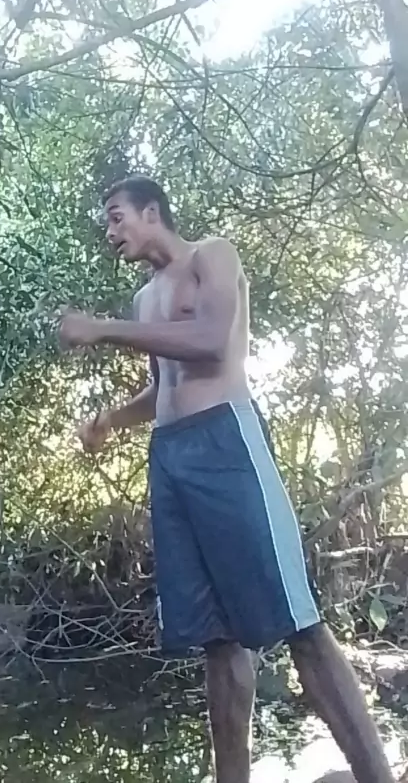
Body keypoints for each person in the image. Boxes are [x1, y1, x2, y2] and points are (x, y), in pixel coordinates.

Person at [58, 175, 395, 783]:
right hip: (171, 456)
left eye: (116, 217)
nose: (109, 232)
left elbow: (211, 344)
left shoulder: (212, 256)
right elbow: (164, 388)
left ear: (151, 212)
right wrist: (110, 420)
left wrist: (103, 329)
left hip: (226, 442)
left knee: (299, 624)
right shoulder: (145, 299)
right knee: (217, 638)